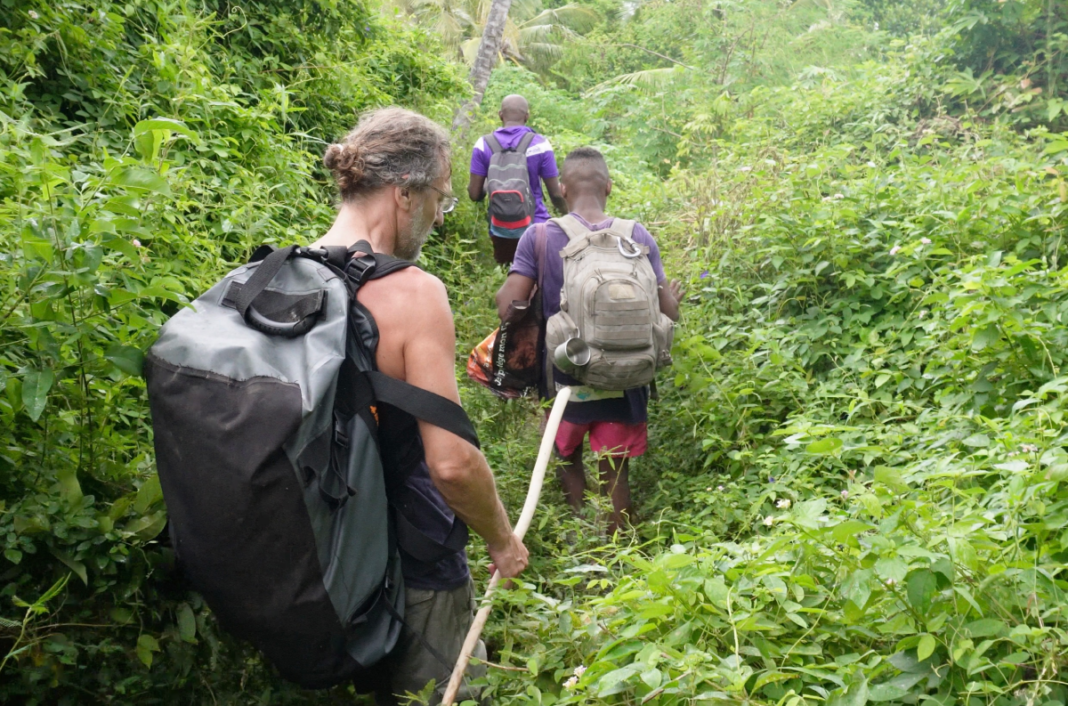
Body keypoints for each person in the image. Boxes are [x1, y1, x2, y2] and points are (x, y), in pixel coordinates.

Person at [313, 107, 529, 705]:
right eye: (440, 197)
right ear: (404, 194)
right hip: (411, 560)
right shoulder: (413, 292)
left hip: (319, 553)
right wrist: (502, 540)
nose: (439, 213)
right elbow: (452, 465)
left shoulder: (282, 277)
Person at [495, 147, 683, 535]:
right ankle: (619, 548)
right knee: (616, 471)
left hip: (564, 378)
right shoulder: (635, 235)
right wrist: (673, 301)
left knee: (568, 459)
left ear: (561, 189)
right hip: (626, 378)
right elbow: (668, 313)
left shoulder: (540, 236)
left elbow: (505, 306)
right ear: (609, 187)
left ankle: (580, 536)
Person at [468, 94, 568, 265]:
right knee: (541, 276)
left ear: (500, 115)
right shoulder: (540, 144)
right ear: (527, 116)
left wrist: (490, 181)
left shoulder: (483, 144)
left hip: (500, 230)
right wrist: (568, 215)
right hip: (536, 226)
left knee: (510, 276)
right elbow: (556, 195)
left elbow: (474, 194)